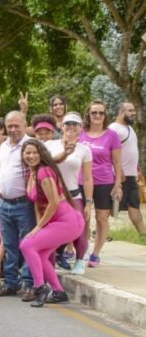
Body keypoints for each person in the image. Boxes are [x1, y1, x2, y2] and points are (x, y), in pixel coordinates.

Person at [20, 139, 85, 306]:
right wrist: (39, 227)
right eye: (27, 153)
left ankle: (39, 287)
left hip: (68, 221)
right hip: (58, 221)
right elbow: (37, 203)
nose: (31, 156)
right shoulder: (32, 173)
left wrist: (39, 227)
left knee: (26, 245)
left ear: (42, 154)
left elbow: (54, 202)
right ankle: (58, 292)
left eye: (35, 152)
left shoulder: (44, 171)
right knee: (41, 255)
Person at [0, 111, 35, 299]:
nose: (13, 129)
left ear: (25, 124)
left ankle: (29, 284)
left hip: (24, 204)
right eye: (9, 126)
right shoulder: (3, 146)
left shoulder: (31, 145)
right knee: (10, 245)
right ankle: (10, 283)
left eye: (16, 125)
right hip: (4, 204)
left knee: (27, 245)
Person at [79, 101, 123, 267]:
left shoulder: (112, 135)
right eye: (94, 112)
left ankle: (95, 254)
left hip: (104, 182)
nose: (97, 116)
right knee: (82, 218)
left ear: (105, 115)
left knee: (101, 218)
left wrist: (118, 184)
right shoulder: (81, 133)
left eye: (101, 113)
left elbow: (117, 162)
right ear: (88, 114)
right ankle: (81, 251)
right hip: (82, 181)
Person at [50, 112, 93, 274]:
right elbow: (47, 163)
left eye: (75, 124)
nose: (71, 127)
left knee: (80, 228)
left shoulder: (84, 149)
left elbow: (87, 178)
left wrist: (88, 202)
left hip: (74, 195)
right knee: (52, 230)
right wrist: (65, 153)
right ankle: (51, 261)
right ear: (61, 126)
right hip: (53, 195)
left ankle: (80, 260)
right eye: (68, 123)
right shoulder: (50, 145)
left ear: (81, 128)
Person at [109, 102, 145, 238]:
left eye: (134, 110)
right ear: (121, 112)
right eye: (130, 110)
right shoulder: (113, 129)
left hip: (131, 175)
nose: (133, 113)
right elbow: (109, 152)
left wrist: (137, 169)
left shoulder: (130, 128)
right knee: (110, 208)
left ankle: (143, 235)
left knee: (134, 205)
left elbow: (131, 152)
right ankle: (100, 232)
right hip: (119, 176)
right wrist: (119, 172)